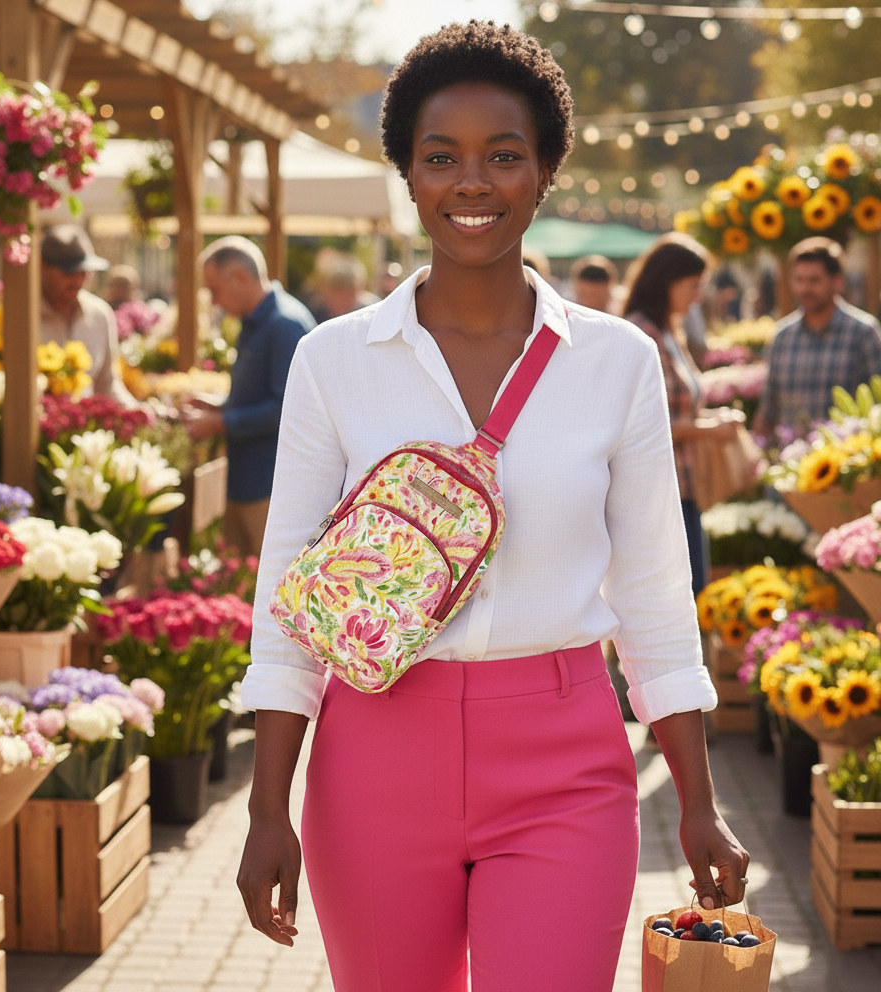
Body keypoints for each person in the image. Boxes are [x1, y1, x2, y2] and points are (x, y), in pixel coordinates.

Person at [236, 22, 748, 992]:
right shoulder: (332, 359)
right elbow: (286, 592)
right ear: (407, 172)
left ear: (545, 170)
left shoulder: (616, 362)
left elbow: (649, 587)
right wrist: (269, 806)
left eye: (502, 155)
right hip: (373, 753)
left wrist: (697, 800)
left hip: (564, 757)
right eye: (441, 157)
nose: (471, 182)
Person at [622, 233, 741, 598]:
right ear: (666, 282)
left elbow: (679, 404)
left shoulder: (670, 330)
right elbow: (637, 426)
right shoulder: (642, 333)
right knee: (672, 598)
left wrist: (711, 420)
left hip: (685, 486)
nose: (698, 295)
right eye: (693, 285)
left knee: (692, 595)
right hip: (656, 492)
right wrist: (708, 430)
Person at [183, 236, 314, 558]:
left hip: (272, 486)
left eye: (215, 290)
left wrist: (221, 423)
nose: (214, 301)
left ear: (241, 277)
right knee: (240, 583)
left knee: (271, 583)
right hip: (249, 479)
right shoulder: (256, 320)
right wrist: (220, 406)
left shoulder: (284, 324)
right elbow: (265, 393)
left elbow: (288, 409)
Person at [0, 225, 137, 406]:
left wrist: (138, 411)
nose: (77, 280)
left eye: (84, 272)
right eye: (68, 272)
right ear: (43, 266)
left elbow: (107, 385)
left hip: (83, 428)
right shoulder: (4, 316)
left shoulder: (100, 315)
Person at [754, 237, 881, 439]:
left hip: (846, 461)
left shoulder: (862, 333)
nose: (805, 289)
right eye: (799, 280)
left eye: (814, 280)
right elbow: (769, 409)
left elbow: (878, 402)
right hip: (791, 462)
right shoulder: (783, 337)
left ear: (837, 281)